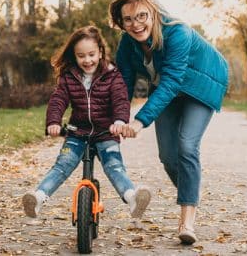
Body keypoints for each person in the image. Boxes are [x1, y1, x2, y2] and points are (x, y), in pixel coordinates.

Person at [108, 0, 229, 244]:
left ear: (153, 13)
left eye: (142, 16)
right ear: (121, 22)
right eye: (128, 19)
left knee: (187, 145)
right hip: (166, 88)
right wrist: (118, 117)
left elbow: (173, 80)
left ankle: (187, 220)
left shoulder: (178, 32)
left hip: (200, 85)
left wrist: (139, 121)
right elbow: (124, 83)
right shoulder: (127, 43)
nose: (136, 24)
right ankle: (190, 193)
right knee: (167, 156)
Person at [22, 25, 151, 219]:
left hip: (107, 132)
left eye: (91, 54)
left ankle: (132, 198)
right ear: (74, 56)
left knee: (114, 165)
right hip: (77, 132)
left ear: (100, 52)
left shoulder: (112, 75)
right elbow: (58, 100)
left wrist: (119, 121)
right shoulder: (69, 77)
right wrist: (53, 122)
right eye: (81, 56)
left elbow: (121, 100)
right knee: (62, 165)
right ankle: (38, 198)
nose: (87, 60)